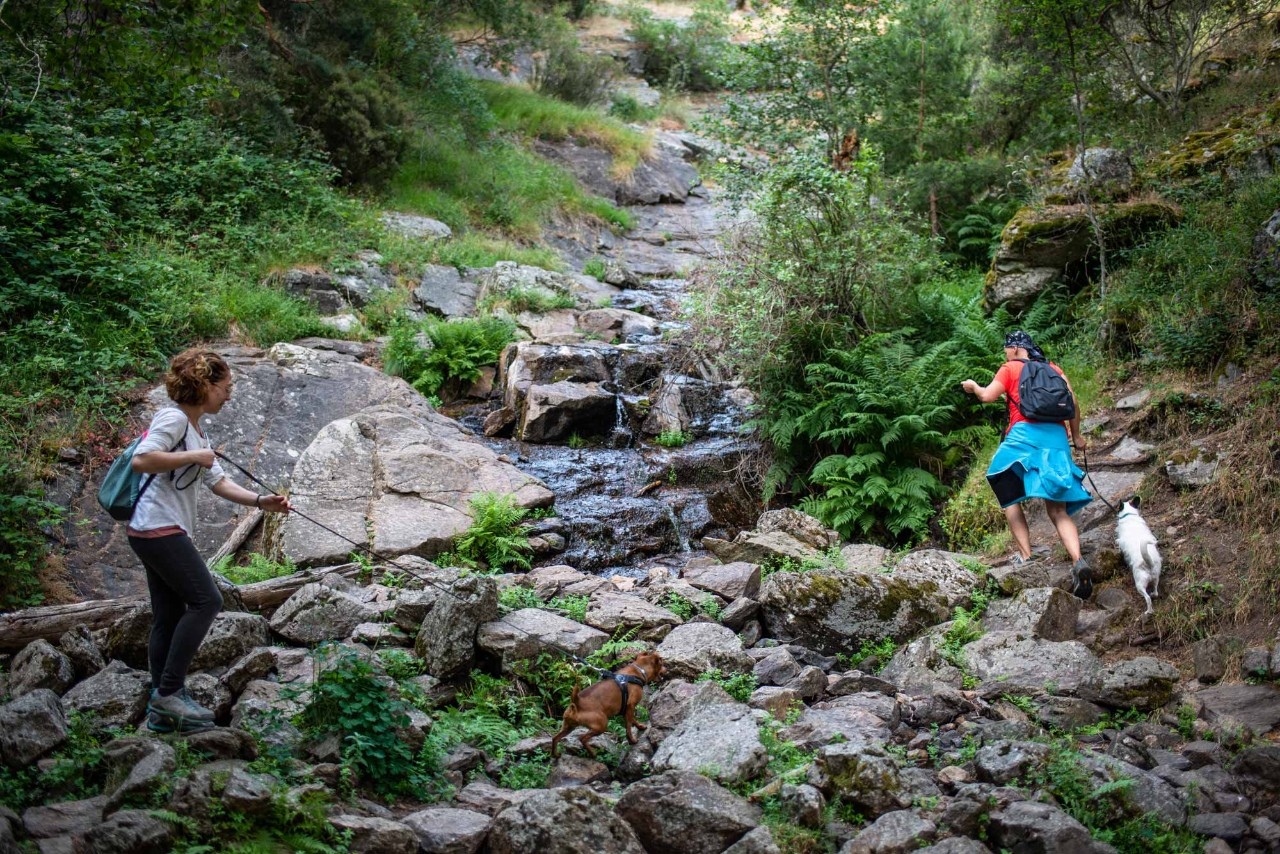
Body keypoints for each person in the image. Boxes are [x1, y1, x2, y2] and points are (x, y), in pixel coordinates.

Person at [128, 348, 292, 732]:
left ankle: (161, 708)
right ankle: (169, 694)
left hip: (154, 530)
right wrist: (192, 457)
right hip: (157, 527)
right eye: (225, 386)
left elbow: (218, 481)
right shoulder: (173, 418)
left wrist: (260, 501)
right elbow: (142, 459)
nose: (229, 394)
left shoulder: (196, 428)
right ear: (205, 385)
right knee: (207, 600)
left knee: (168, 615)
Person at [961, 330, 1093, 598]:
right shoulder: (1053, 368)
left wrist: (974, 387)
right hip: (1056, 438)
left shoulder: (1010, 368)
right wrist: (1076, 436)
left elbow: (987, 396)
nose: (1005, 353)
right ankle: (1078, 560)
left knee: (1003, 485)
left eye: (1006, 349)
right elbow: (1074, 402)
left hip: (1023, 436)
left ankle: (1026, 555)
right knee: (1057, 509)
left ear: (1014, 348)